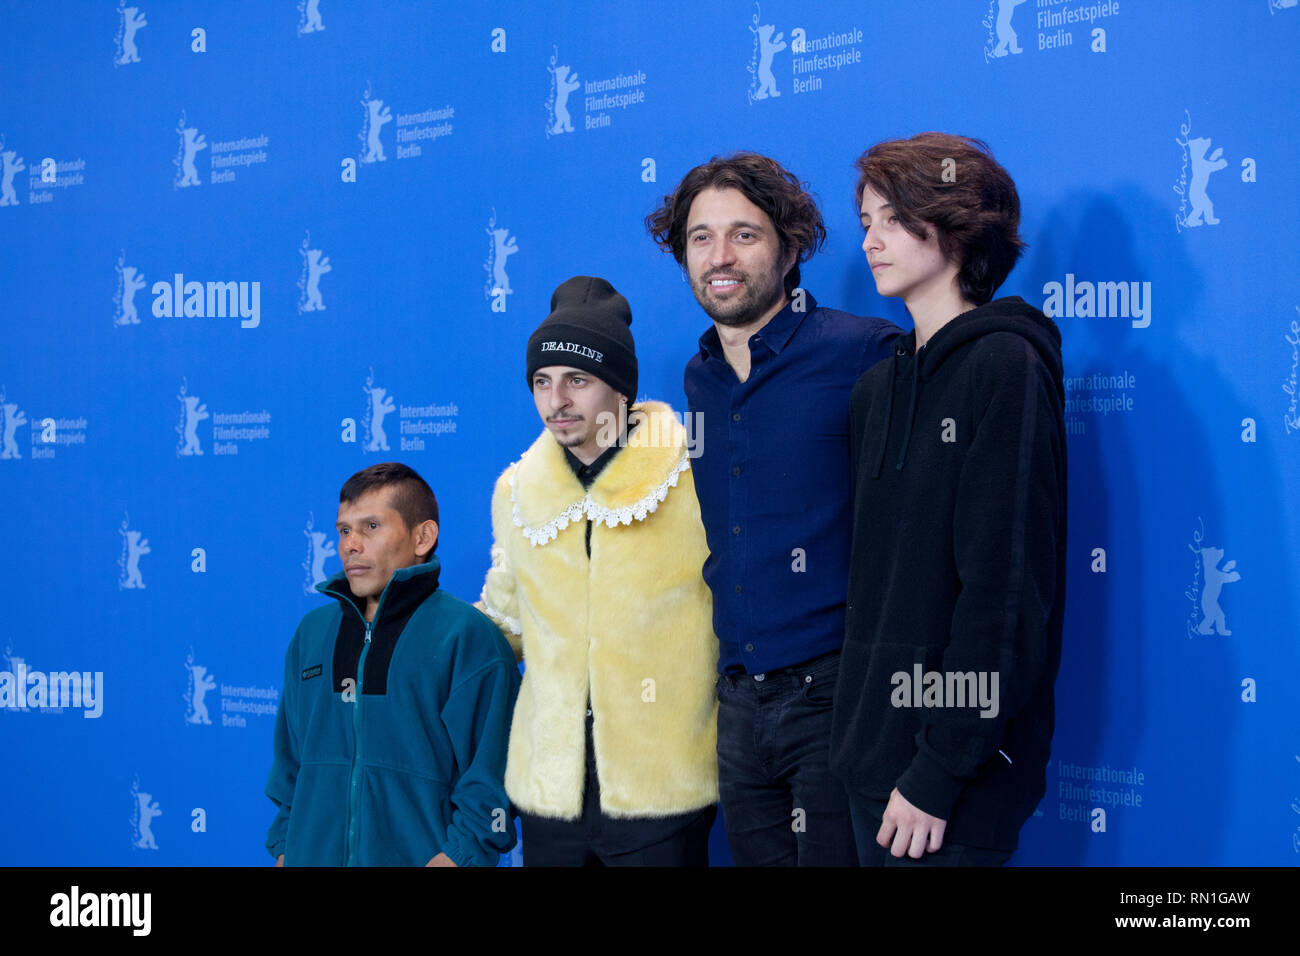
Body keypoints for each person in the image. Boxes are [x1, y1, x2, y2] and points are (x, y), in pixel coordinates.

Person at [646, 153, 898, 865]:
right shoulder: (699, 377)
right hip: (738, 706)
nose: (719, 257)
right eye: (700, 238)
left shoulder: (864, 353)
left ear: (790, 248)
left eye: (743, 235)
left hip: (837, 696)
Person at [830, 132, 1068, 866]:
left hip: (951, 784)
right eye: (866, 221)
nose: (871, 239)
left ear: (958, 221)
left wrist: (939, 770)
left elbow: (1004, 593)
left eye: (892, 218)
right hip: (866, 763)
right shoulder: (877, 390)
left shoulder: (1007, 365)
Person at [477, 275, 719, 866]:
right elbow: (502, 622)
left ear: (619, 388)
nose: (555, 401)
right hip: (550, 792)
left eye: (577, 381)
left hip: (661, 789)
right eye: (542, 382)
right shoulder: (515, 492)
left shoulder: (691, 475)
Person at [265, 462, 520, 866]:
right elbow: (290, 765)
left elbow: (492, 779)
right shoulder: (311, 635)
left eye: (371, 527)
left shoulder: (467, 638)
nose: (351, 544)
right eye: (344, 530)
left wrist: (458, 857)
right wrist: (284, 846)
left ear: (423, 536)